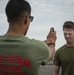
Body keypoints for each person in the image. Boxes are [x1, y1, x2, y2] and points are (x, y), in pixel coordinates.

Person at [0, 0, 56, 75]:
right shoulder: (38, 48)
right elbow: (51, 53)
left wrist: (45, 42)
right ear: (26, 19)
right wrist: (52, 40)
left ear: (7, 18)